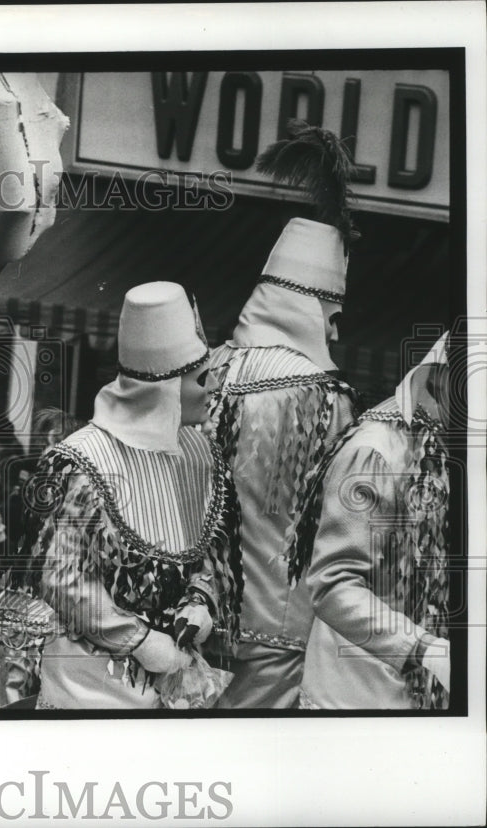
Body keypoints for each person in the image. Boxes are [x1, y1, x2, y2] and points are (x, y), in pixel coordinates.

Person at [23, 282, 243, 709]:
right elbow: (61, 577)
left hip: (174, 687)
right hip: (88, 693)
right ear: (165, 388)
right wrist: (138, 640)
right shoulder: (81, 460)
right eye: (201, 377)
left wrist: (201, 601)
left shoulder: (201, 453)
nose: (214, 384)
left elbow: (212, 553)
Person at [207, 122, 360, 708]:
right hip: (279, 630)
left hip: (193, 616)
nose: (337, 327)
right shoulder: (328, 397)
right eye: (332, 309)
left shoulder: (211, 373)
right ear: (313, 306)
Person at [288, 333, 452, 709]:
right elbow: (333, 585)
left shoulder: (448, 443)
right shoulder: (374, 451)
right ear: (443, 378)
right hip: (355, 695)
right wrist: (424, 650)